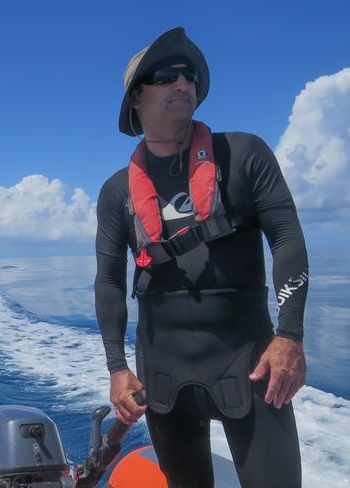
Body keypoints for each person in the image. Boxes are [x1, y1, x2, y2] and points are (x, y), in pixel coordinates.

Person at [95, 27, 308, 488]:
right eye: (166, 74)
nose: (182, 83)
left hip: (251, 366)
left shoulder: (245, 155)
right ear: (136, 97)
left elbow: (287, 238)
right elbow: (110, 282)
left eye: (189, 74)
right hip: (163, 374)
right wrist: (117, 368)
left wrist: (290, 335)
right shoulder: (116, 193)